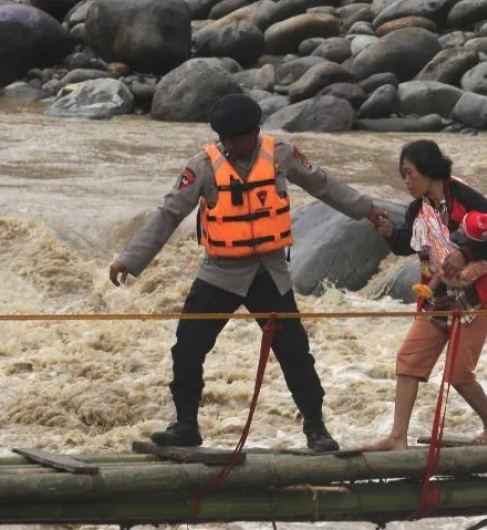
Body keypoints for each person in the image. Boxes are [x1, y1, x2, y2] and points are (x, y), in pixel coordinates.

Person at [109, 94, 387, 450]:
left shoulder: (282, 154)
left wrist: (368, 209)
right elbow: (169, 213)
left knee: (294, 352)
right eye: (222, 138)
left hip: (268, 272)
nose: (228, 145)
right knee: (188, 349)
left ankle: (316, 428)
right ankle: (186, 426)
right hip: (219, 272)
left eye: (236, 138)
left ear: (254, 132)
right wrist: (129, 259)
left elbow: (324, 185)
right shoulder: (202, 166)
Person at [363, 139, 487, 452]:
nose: (406, 181)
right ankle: (397, 438)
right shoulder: (417, 208)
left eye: (410, 173)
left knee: (458, 374)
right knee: (408, 359)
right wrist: (390, 233)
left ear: (428, 169)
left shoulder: (460, 194)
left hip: (474, 292)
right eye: (403, 175)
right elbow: (408, 244)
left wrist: (466, 252)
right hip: (438, 293)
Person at [411, 209, 487, 299]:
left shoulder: (486, 257)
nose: (459, 231)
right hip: (463, 262)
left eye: (463, 234)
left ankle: (429, 288)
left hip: (463, 276)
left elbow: (469, 272)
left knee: (445, 268)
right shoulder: (480, 235)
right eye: (460, 226)